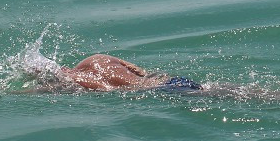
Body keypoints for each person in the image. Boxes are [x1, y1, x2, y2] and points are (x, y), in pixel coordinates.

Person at [58, 54, 202, 92]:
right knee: (210, 89)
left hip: (158, 90)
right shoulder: (98, 58)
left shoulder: (79, 79)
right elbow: (141, 72)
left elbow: (107, 89)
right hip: (168, 81)